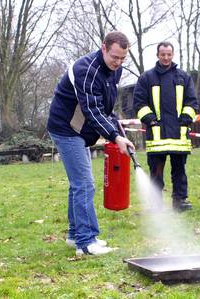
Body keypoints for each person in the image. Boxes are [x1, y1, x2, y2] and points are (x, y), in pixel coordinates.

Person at [47, 31, 134, 255]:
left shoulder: (114, 71)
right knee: (84, 184)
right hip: (66, 129)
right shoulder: (86, 70)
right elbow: (92, 110)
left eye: (123, 58)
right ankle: (85, 244)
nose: (118, 63)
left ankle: (75, 235)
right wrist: (114, 136)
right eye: (115, 57)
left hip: (80, 131)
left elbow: (106, 107)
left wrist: (119, 131)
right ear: (103, 48)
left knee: (79, 183)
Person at [133, 41, 198, 212]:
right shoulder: (146, 78)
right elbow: (139, 103)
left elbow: (192, 102)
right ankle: (155, 204)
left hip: (179, 135)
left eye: (169, 54)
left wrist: (185, 118)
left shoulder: (184, 77)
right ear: (158, 55)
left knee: (179, 171)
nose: (166, 57)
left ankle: (180, 201)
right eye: (163, 54)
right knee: (156, 172)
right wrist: (151, 120)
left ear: (173, 55)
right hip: (157, 136)